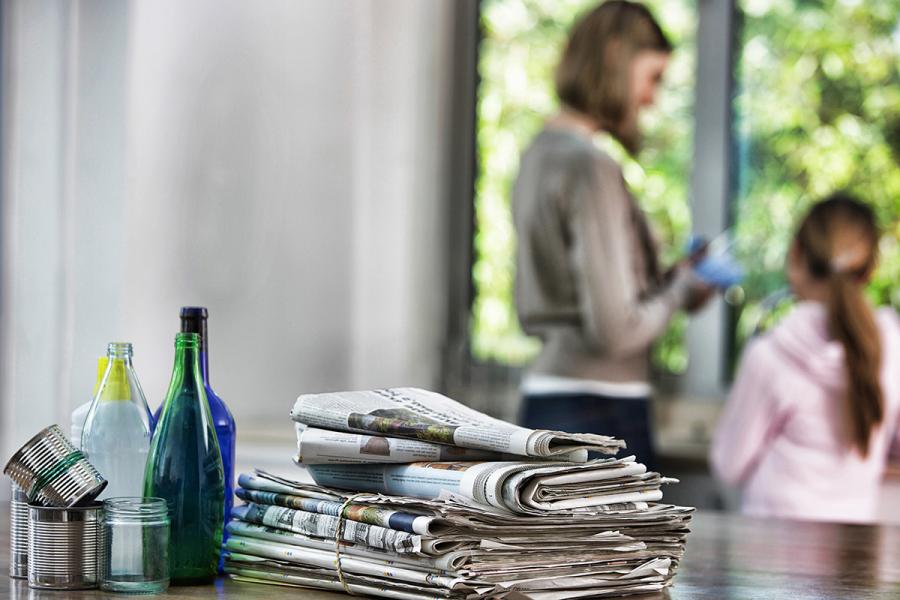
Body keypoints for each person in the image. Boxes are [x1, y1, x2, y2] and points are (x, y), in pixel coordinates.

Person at [513, 0, 712, 467]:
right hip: (600, 410)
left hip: (547, 398)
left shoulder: (537, 154)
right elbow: (616, 331)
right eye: (653, 78)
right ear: (617, 58)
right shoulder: (590, 165)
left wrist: (665, 281)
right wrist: (680, 291)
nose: (651, 98)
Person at [710, 194, 900, 523]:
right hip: (854, 552)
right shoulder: (890, 346)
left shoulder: (770, 355)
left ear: (796, 254)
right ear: (870, 269)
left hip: (771, 550)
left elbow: (729, 466)